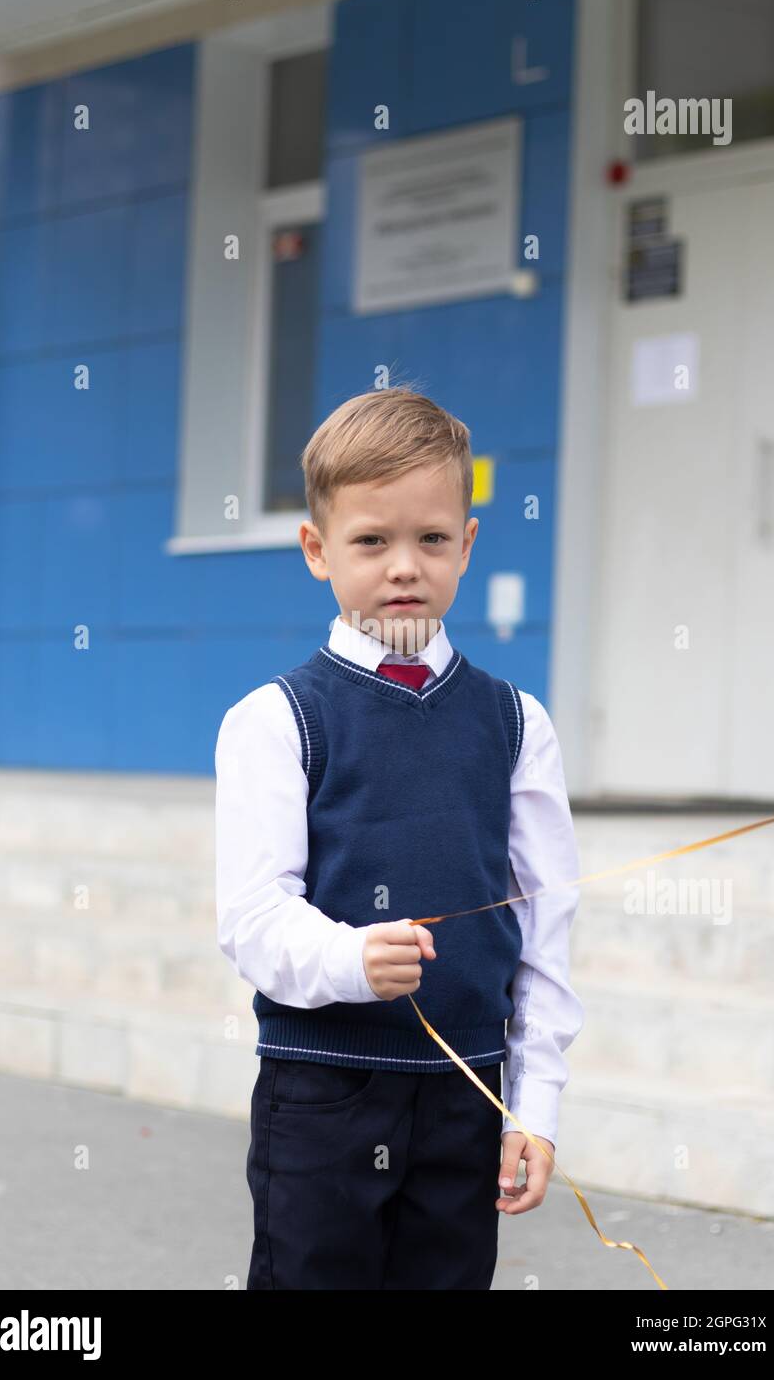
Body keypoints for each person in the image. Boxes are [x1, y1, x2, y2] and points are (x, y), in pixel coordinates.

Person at [215, 386, 585, 1290]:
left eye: (432, 539)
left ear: (468, 544)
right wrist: (348, 958)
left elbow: (547, 930)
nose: (404, 567)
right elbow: (253, 918)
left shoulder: (516, 722)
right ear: (317, 550)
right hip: (323, 1093)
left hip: (469, 1093)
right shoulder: (276, 720)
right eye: (371, 541)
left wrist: (532, 1107)